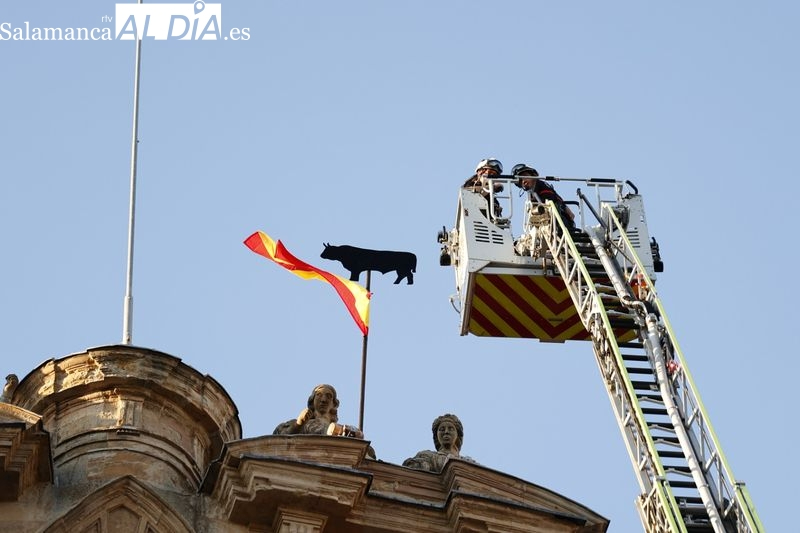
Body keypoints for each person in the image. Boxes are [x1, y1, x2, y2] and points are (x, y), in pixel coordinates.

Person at [273, 383, 363, 438]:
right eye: (319, 395)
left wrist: (357, 435)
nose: (323, 400)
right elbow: (279, 438)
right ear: (312, 401)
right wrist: (299, 423)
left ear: (333, 405)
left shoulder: (342, 428)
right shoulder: (301, 424)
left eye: (329, 396)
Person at [402, 413, 476, 472]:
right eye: (442, 429)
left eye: (450, 429)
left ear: (458, 435)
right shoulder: (428, 456)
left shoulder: (469, 463)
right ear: (436, 436)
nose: (446, 432)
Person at [511, 164, 576, 231]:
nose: (523, 181)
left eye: (525, 176)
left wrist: (565, 208)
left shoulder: (541, 186)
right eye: (521, 180)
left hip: (559, 222)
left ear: (533, 175)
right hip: (551, 222)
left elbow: (550, 200)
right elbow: (556, 196)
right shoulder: (532, 192)